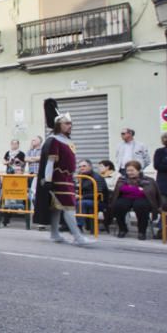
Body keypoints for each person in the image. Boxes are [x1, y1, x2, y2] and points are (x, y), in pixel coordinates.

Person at [33, 100, 95, 246]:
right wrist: (47, 180)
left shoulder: (67, 140)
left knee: (57, 208)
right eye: (66, 123)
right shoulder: (54, 140)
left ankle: (55, 234)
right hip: (58, 179)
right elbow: (50, 162)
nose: (69, 125)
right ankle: (78, 237)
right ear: (58, 125)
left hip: (67, 178)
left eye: (70, 123)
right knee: (68, 207)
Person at [110, 160, 161, 240]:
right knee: (118, 205)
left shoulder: (148, 179)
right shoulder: (122, 179)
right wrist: (137, 190)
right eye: (128, 170)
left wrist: (130, 189)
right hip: (126, 198)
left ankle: (142, 231)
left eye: (132, 170)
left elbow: (148, 192)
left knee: (141, 206)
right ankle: (122, 229)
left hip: (142, 199)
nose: (129, 172)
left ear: (139, 170)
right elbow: (120, 189)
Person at [75, 160, 107, 231]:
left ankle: (79, 226)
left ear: (90, 167)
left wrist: (82, 197)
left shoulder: (97, 177)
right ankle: (66, 225)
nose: (81, 168)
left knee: (80, 203)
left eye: (84, 166)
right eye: (80, 167)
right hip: (84, 200)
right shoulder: (81, 177)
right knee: (67, 203)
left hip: (98, 201)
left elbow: (99, 194)